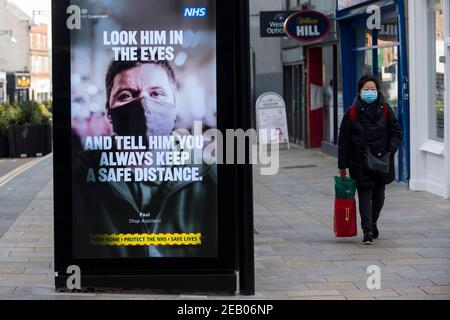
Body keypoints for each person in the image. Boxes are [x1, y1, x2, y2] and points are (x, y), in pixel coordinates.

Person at [72, 59, 218, 258]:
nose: (144, 104)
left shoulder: (208, 173)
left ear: (174, 105)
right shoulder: (82, 176)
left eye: (157, 94)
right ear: (109, 113)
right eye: (126, 95)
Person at [338, 75, 403, 245]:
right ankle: (367, 230)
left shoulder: (385, 109)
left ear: (377, 91)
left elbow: (397, 132)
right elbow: (343, 141)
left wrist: (390, 150)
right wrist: (342, 165)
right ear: (360, 92)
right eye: (366, 89)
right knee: (365, 196)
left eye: (372, 89)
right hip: (359, 162)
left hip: (381, 161)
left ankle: (373, 222)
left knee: (379, 198)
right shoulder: (352, 112)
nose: (369, 92)